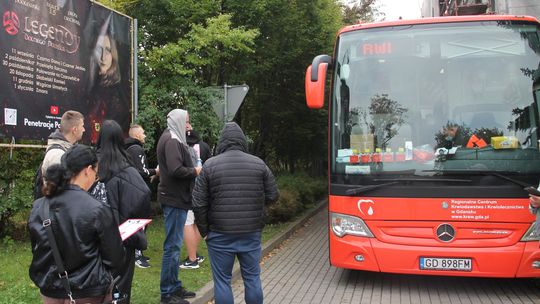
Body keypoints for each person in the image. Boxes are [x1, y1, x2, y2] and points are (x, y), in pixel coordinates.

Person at [192, 122, 280, 304]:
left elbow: (199, 203)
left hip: (219, 234)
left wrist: (204, 231)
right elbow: (273, 195)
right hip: (251, 232)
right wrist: (257, 208)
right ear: (242, 141)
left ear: (222, 141)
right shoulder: (259, 164)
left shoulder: (210, 165)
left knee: (222, 281)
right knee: (252, 277)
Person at [28, 145, 125, 303]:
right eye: (96, 172)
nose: (96, 177)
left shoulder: (39, 206)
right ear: (88, 170)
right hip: (88, 293)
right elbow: (115, 258)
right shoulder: (97, 209)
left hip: (50, 292)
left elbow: (37, 248)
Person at [96, 120, 152, 303]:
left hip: (94, 235)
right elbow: (143, 193)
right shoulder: (126, 167)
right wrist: (130, 226)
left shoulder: (91, 165)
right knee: (121, 285)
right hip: (122, 237)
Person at [157, 109, 200, 304]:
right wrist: (195, 170)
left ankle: (174, 286)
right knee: (172, 247)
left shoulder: (171, 137)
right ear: (178, 121)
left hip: (177, 198)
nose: (188, 126)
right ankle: (167, 293)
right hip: (174, 199)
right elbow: (175, 169)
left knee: (174, 245)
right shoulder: (172, 140)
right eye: (186, 122)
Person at [86, 20, 129, 143]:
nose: (103, 57)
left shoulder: (118, 92)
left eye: (108, 50)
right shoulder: (85, 88)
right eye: (99, 50)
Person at [125, 124, 159, 268]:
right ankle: (137, 254)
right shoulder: (136, 149)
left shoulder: (127, 149)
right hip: (138, 190)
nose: (145, 135)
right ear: (137, 135)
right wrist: (155, 171)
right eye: (143, 133)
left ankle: (136, 252)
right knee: (140, 221)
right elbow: (141, 171)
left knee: (136, 220)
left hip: (132, 190)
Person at [180, 127, 212, 269]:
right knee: (197, 222)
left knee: (187, 222)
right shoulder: (204, 146)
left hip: (187, 188)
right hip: (203, 188)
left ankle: (192, 258)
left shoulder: (181, 146)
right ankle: (194, 254)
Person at [41, 110, 85, 175]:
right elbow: (58, 184)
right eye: (82, 126)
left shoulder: (65, 151)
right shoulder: (58, 156)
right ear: (74, 130)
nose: (84, 129)